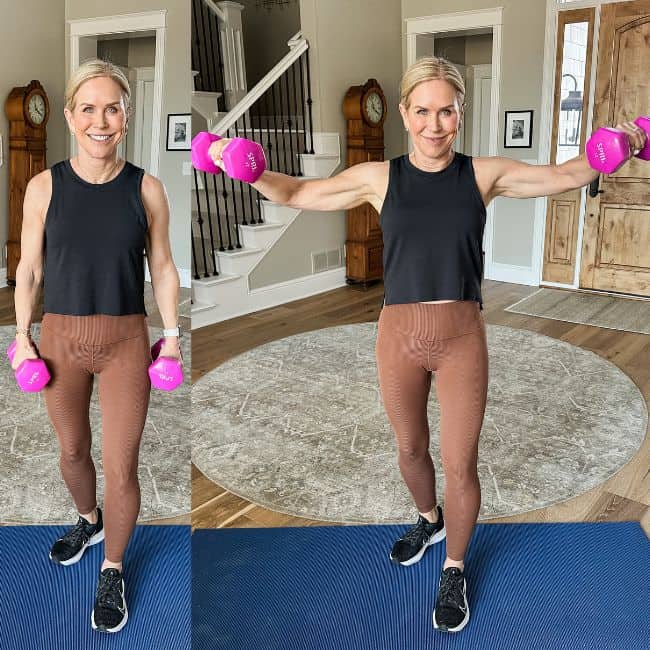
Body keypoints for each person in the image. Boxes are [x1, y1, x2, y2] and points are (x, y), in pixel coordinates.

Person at [205, 56, 647, 633]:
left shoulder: (483, 174)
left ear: (460, 114)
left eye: (446, 112)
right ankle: (427, 518)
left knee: (461, 463)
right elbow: (297, 194)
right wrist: (243, 166)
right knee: (411, 450)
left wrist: (630, 138)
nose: (434, 125)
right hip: (399, 336)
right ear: (405, 114)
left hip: (462, 336)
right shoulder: (377, 178)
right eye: (422, 111)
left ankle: (455, 567)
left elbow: (565, 175)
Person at [12, 59, 182, 634]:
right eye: (88, 108)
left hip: (125, 343)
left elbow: (161, 266)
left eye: (112, 107)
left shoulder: (147, 188)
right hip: (59, 340)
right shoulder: (44, 186)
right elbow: (28, 270)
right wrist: (21, 338)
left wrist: (174, 336)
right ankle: (88, 520)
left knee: (122, 463)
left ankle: (112, 567)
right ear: (70, 115)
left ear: (127, 117)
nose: (100, 120)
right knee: (72, 452)